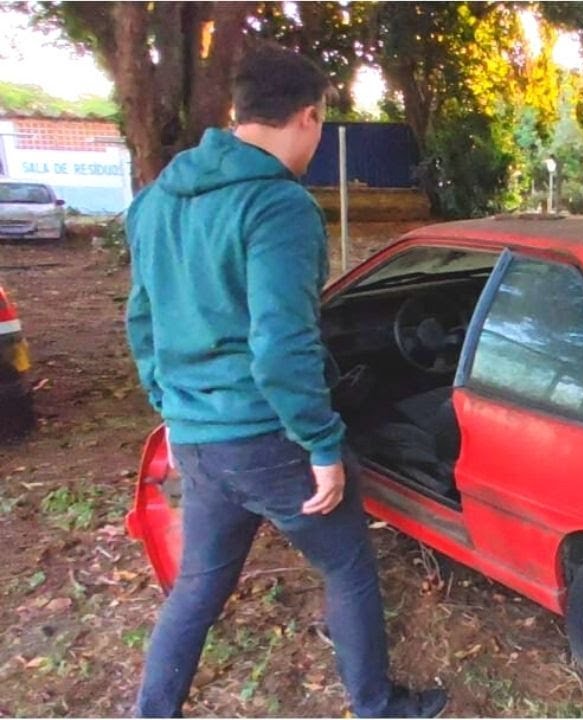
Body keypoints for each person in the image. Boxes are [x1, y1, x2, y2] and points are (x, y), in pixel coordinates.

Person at [124, 43, 447, 718]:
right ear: (307, 116)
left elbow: (143, 321)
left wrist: (176, 409)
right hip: (271, 438)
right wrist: (323, 446)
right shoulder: (279, 207)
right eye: (321, 123)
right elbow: (281, 348)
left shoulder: (156, 201)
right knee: (348, 567)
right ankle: (376, 705)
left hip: (199, 438)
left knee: (200, 587)